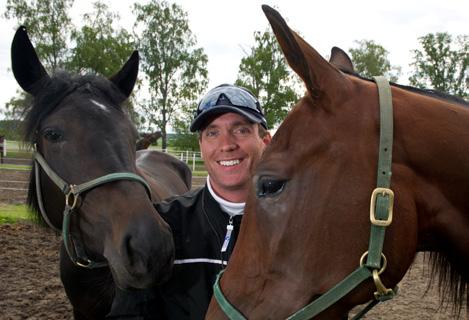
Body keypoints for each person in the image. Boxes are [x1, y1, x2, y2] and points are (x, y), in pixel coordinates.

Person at [154, 84, 271, 319]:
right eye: (212, 133)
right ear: (201, 145)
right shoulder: (163, 224)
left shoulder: (298, 230)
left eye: (241, 130)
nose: (226, 144)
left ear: (266, 142)